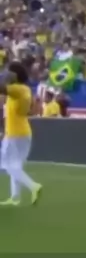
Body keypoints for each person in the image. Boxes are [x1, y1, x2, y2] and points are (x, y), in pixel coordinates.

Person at [0, 62, 43, 206]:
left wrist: (4, 77)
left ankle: (33, 186)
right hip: (22, 132)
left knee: (7, 164)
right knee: (16, 165)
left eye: (8, 71)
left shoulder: (17, 89)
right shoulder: (24, 89)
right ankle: (15, 197)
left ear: (15, 74)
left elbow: (2, 87)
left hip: (14, 133)